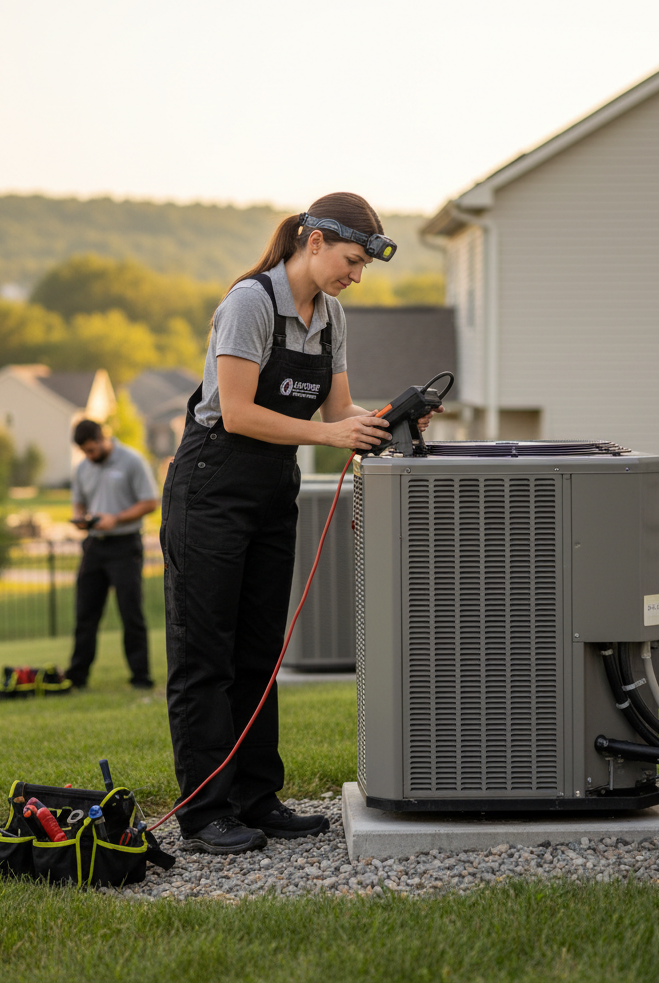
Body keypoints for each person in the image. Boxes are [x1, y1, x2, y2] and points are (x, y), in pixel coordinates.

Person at [160, 192, 441, 854]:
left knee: (261, 652)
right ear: (313, 241)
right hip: (212, 487)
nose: (356, 275)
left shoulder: (332, 315)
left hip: (270, 490)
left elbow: (340, 409)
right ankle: (205, 815)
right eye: (350, 260)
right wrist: (331, 431)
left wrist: (384, 422)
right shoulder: (250, 303)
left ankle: (256, 800)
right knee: (208, 656)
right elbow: (235, 413)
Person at [66, 420, 159, 690]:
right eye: (85, 452)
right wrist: (80, 518)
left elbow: (150, 502)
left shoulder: (132, 460)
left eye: (93, 449)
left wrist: (115, 519)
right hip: (94, 546)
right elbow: (78, 501)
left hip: (125, 545)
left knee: (131, 613)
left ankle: (141, 677)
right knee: (85, 614)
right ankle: (77, 677)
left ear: (103, 438)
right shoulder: (83, 467)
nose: (89, 456)